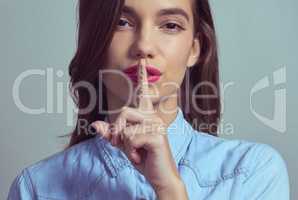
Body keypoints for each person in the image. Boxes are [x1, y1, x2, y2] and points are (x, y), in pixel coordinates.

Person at [7, 0, 290, 199]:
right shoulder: (36, 188)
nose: (143, 45)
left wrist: (170, 189)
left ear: (195, 49)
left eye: (170, 25)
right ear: (95, 39)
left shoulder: (251, 171)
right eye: (122, 22)